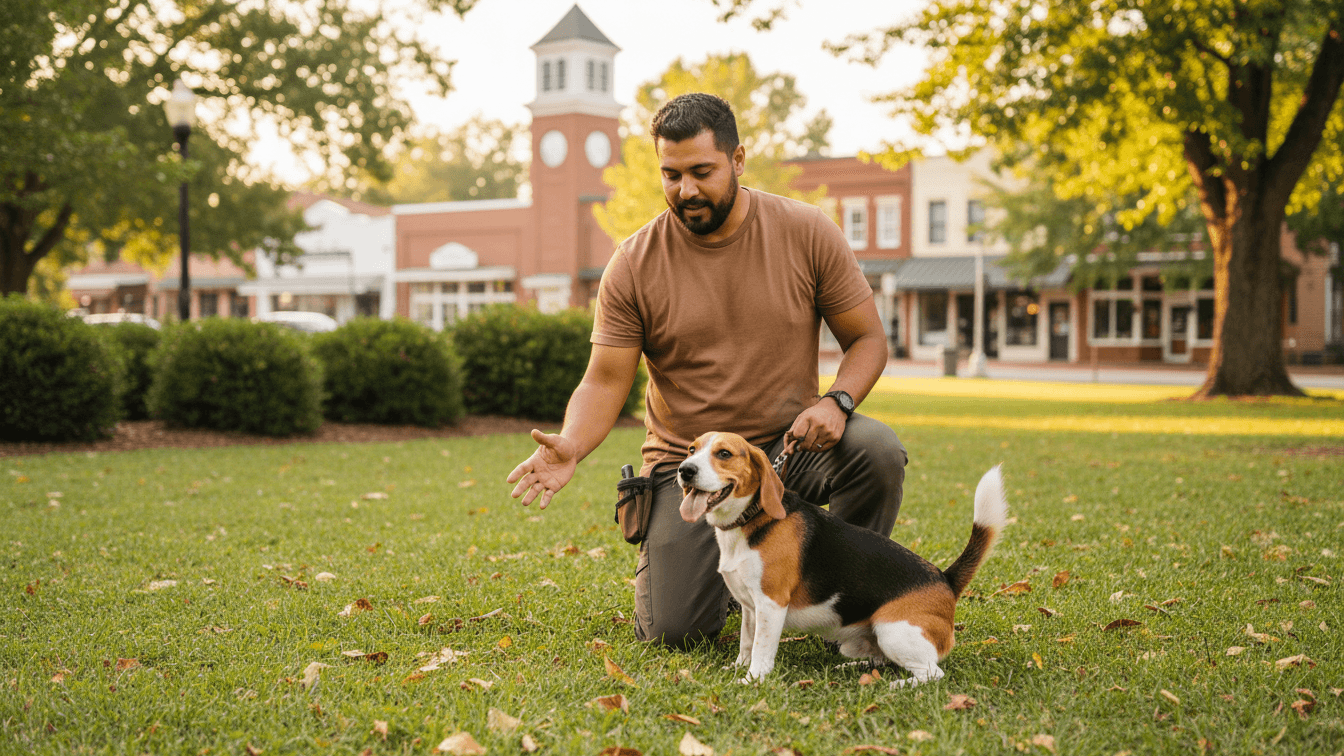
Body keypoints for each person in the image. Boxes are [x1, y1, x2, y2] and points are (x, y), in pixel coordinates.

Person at [507, 93, 907, 647]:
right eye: (671, 175)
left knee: (876, 451)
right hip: (688, 463)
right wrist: (572, 443)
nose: (686, 190)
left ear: (737, 160)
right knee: (677, 632)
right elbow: (604, 378)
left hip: (789, 448)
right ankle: (730, 573)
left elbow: (867, 339)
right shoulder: (634, 262)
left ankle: (843, 602)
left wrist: (836, 401)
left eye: (702, 172)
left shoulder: (807, 230)